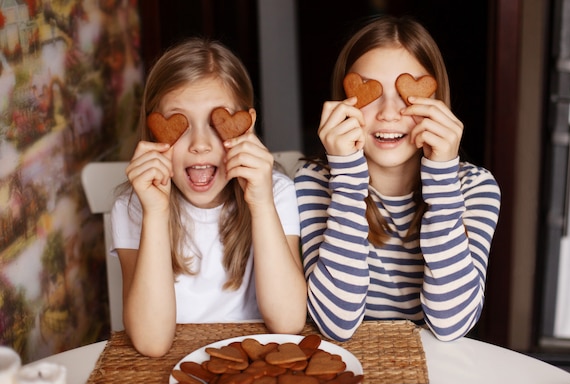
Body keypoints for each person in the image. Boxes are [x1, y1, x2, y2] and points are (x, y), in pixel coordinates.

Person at [295, 15, 501, 342]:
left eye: (407, 94)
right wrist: (346, 174)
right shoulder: (314, 182)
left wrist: (443, 176)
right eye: (370, 92)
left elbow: (452, 324)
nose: (389, 113)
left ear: (437, 102)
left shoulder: (476, 187)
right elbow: (335, 324)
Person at [111, 38, 307, 357]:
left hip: (258, 360)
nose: (200, 144)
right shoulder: (134, 207)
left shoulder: (277, 192)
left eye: (217, 123)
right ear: (154, 131)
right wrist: (156, 213)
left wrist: (260, 203)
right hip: (169, 366)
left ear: (245, 126)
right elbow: (151, 342)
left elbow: (288, 322)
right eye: (180, 125)